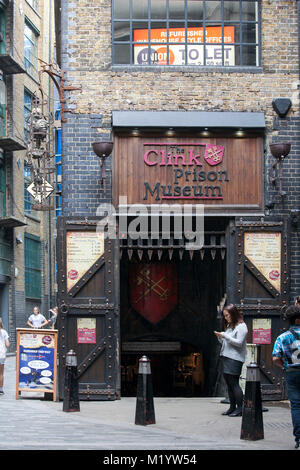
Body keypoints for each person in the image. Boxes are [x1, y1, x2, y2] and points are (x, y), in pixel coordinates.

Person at [272, 305, 300, 449]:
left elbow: (276, 358)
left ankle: (299, 439)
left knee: (296, 406)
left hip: (292, 373)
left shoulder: (282, 337)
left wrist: (285, 366)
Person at [214, 303, 248, 417]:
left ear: (233, 314)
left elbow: (238, 343)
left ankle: (240, 408)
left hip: (235, 358)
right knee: (229, 384)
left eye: (227, 315)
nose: (226, 318)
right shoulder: (230, 326)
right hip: (226, 357)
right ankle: (232, 407)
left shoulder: (242, 326)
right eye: (224, 315)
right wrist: (220, 338)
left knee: (234, 383)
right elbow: (226, 342)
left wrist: (224, 336)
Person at [0, 318, 10, 394]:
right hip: (1, 354)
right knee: (1, 373)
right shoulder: (4, 332)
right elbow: (7, 344)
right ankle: (1, 389)